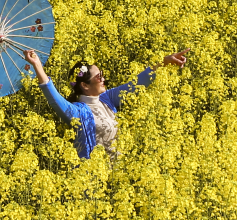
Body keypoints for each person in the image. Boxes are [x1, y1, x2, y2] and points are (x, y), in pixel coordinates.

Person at [22, 46, 188, 161]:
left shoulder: (108, 99)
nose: (103, 79)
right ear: (85, 85)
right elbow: (55, 99)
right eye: (98, 76)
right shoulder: (79, 113)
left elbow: (137, 83)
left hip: (116, 178)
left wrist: (164, 63)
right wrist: (38, 66)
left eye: (102, 74)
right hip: (93, 184)